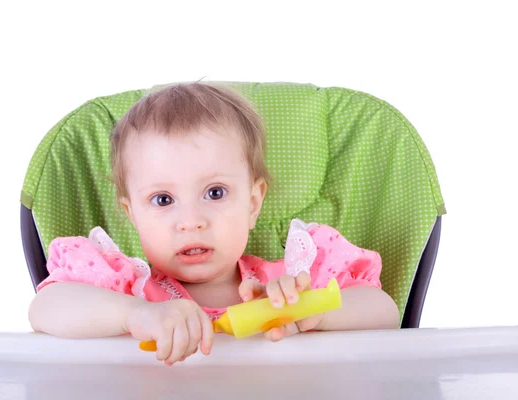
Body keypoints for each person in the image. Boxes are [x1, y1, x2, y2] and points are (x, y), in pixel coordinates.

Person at [28, 82, 400, 366]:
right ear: (131, 214)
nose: (191, 222)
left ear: (253, 203)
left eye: (216, 193)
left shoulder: (289, 284)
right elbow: (45, 308)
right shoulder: (125, 290)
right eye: (163, 200)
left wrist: (312, 312)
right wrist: (133, 315)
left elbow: (384, 312)